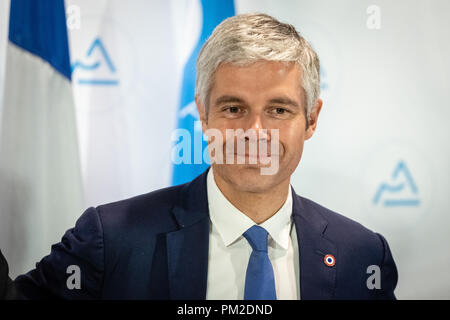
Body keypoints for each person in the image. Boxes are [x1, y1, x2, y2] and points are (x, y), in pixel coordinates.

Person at [13, 13, 397, 299]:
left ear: (311, 119)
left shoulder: (362, 255)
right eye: (234, 109)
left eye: (279, 110)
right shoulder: (109, 240)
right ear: (203, 113)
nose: (255, 132)